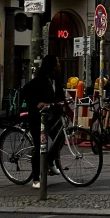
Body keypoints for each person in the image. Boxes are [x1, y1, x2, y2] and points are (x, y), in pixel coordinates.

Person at [21, 54, 65, 189]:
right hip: (37, 117)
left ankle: (50, 161)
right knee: (39, 145)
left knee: (60, 137)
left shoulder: (56, 79)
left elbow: (59, 95)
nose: (59, 65)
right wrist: (37, 103)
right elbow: (25, 92)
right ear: (51, 66)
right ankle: (35, 179)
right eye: (57, 63)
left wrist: (63, 103)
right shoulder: (40, 80)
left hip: (51, 116)